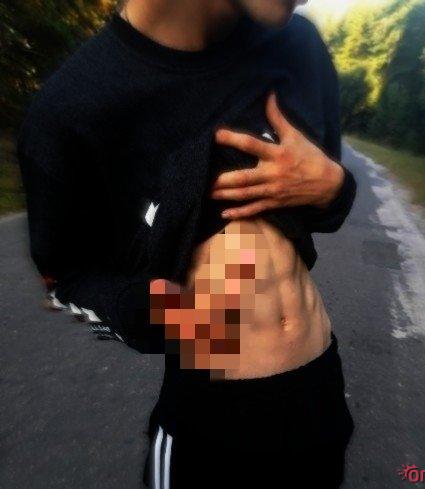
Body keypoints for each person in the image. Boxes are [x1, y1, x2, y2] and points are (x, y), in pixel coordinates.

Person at [17, 0, 357, 488]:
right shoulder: (71, 109)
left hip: (319, 383)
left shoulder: (298, 48)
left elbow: (323, 201)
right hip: (213, 412)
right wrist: (160, 313)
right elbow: (65, 279)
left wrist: (335, 190)